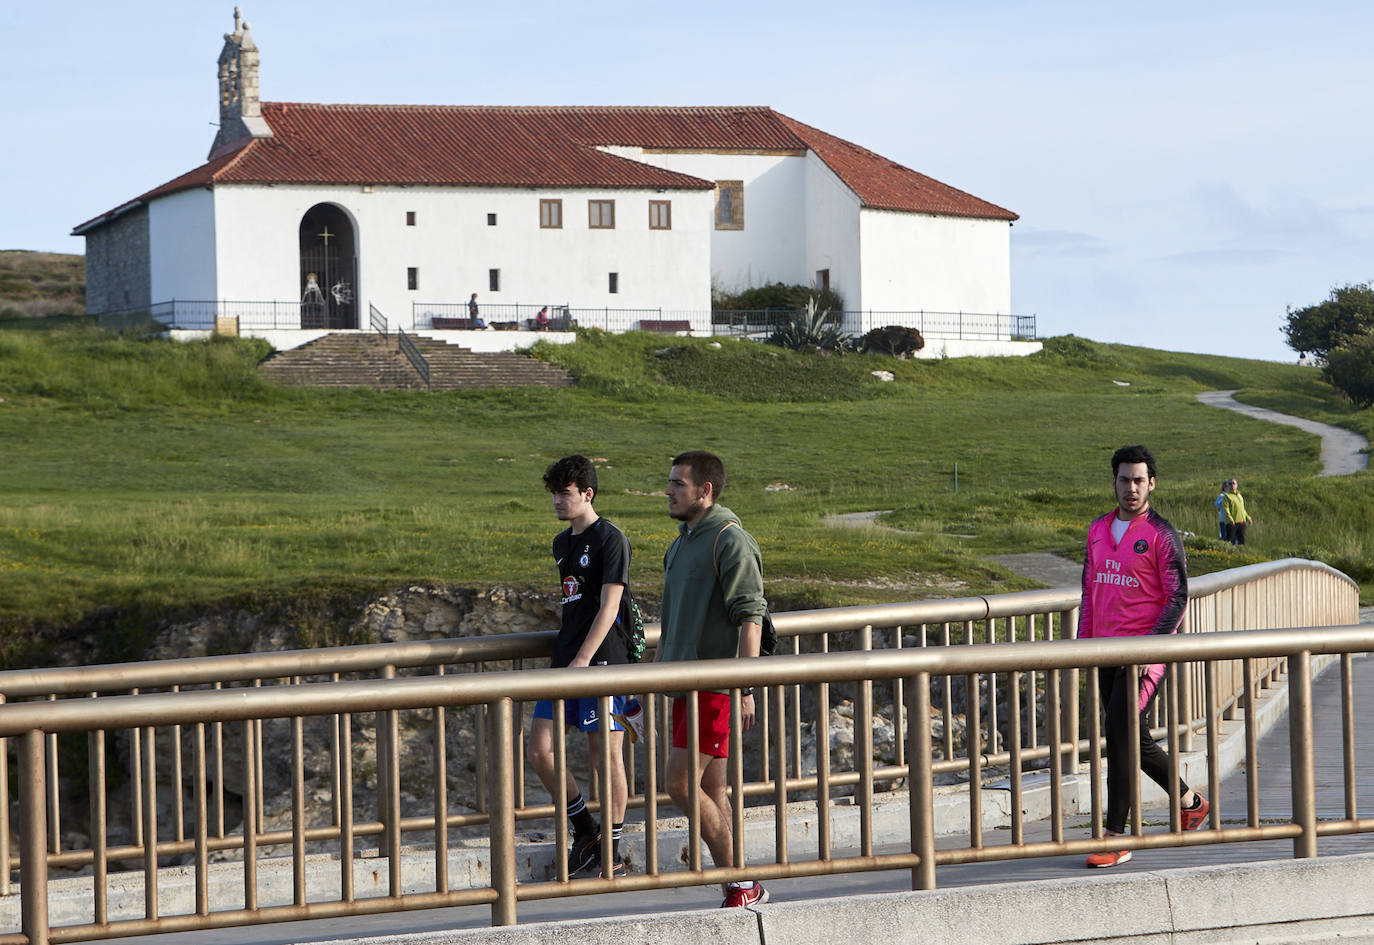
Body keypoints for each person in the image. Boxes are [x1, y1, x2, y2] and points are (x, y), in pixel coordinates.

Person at [1079, 444, 1209, 868]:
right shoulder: (1097, 529)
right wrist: (1080, 647)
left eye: (1138, 480)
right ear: (1113, 482)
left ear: (1151, 483)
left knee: (1120, 738)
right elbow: (1089, 594)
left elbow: (1178, 598)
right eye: (1123, 480)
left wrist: (1150, 650)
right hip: (1103, 651)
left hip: (1143, 657)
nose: (1130, 488)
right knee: (1133, 737)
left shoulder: (1161, 536)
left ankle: (1116, 834)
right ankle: (1190, 802)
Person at [656, 450, 769, 907]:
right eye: (669, 482)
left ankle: (743, 883)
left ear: (705, 490)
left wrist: (743, 689)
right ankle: (739, 888)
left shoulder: (729, 539)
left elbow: (751, 617)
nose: (668, 491)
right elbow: (673, 618)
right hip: (686, 685)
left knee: (679, 785)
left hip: (715, 687)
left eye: (678, 484)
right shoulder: (681, 541)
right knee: (711, 790)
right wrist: (654, 678)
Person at [527, 455, 632, 878]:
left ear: (587, 493)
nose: (557, 500)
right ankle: (585, 830)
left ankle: (614, 848)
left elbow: (609, 607)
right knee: (538, 749)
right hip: (566, 661)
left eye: (564, 493)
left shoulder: (611, 538)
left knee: (604, 756)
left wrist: (584, 660)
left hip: (601, 661)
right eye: (553, 493)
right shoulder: (560, 543)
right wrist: (569, 660)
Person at [1222, 478, 1251, 546]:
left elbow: (1242, 508)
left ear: (1236, 485)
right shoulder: (1226, 496)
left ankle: (1240, 553)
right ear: (1228, 486)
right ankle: (1224, 552)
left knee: (1241, 540)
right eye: (1230, 483)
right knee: (1229, 539)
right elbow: (1226, 509)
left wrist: (1248, 517)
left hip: (1242, 521)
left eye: (1233, 483)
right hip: (1232, 522)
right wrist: (1230, 519)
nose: (1232, 485)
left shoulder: (1239, 495)